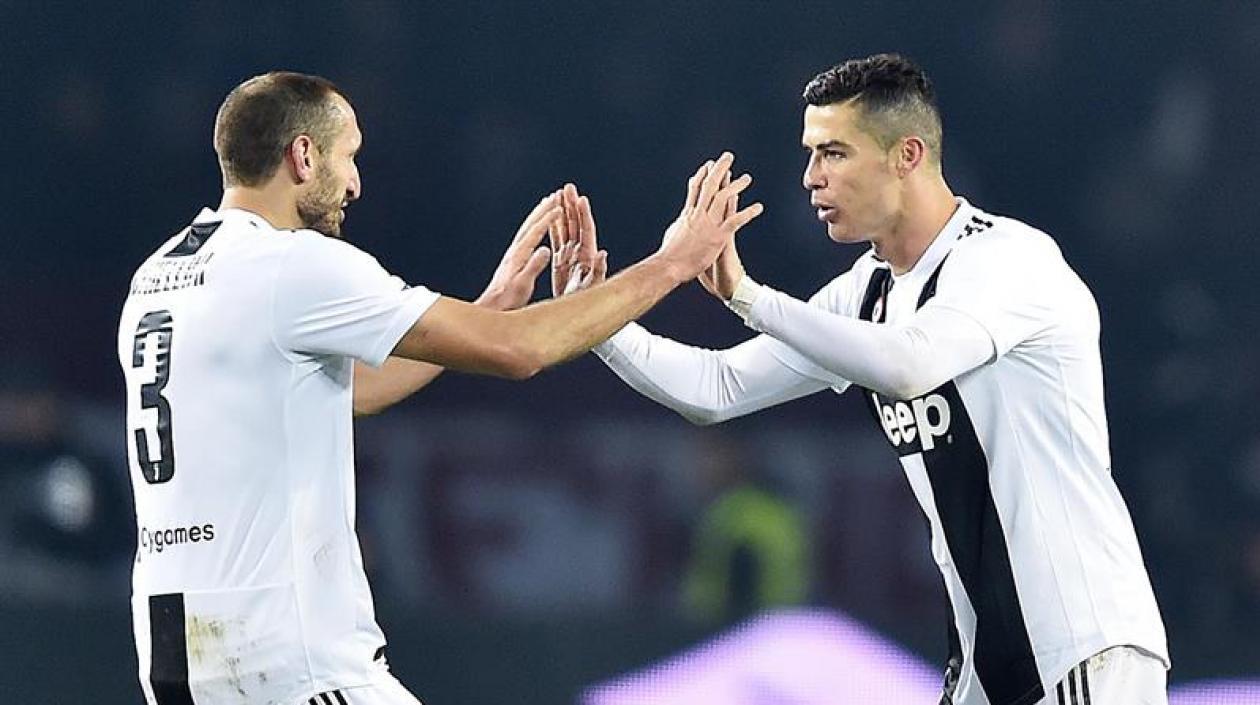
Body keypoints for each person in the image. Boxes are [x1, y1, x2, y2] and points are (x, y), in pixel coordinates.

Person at [117, 71, 761, 705]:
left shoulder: (159, 277)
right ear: (303, 156)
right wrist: (674, 262)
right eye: (350, 156)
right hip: (293, 661)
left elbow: (350, 392)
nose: (356, 182)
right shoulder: (294, 264)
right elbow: (519, 351)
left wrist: (486, 305)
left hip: (179, 660)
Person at [553, 54, 1169, 705]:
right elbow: (718, 388)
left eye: (834, 154)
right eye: (811, 153)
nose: (811, 178)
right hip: (986, 666)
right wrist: (595, 317)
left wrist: (747, 295)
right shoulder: (866, 291)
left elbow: (910, 365)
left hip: (1082, 649)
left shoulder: (1009, 260)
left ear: (906, 155)